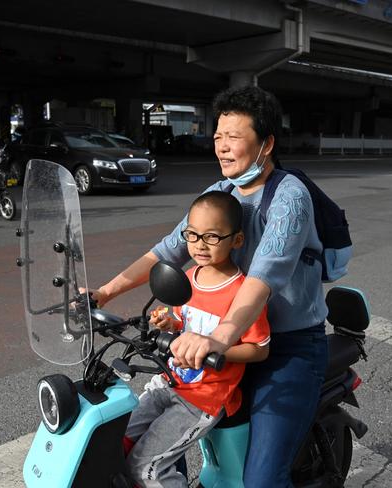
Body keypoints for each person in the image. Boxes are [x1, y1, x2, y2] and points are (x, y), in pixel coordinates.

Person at [91, 86, 329, 487]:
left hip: (287, 347)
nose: (221, 146)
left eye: (233, 136)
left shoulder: (289, 197)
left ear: (266, 143)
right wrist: (102, 293)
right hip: (218, 345)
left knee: (261, 480)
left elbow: (263, 278)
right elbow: (167, 252)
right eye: (218, 136)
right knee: (148, 438)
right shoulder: (218, 194)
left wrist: (217, 338)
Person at [124, 191, 270, 488]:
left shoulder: (244, 294)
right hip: (166, 381)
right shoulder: (189, 277)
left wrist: (218, 351)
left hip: (202, 398)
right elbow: (184, 322)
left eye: (212, 236)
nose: (199, 245)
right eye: (192, 234)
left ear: (237, 240)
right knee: (115, 437)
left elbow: (259, 349)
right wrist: (170, 322)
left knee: (145, 467)